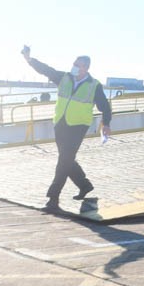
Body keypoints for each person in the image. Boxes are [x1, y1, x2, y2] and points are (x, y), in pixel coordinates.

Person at [22, 46, 112, 212]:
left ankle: (53, 198)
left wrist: (106, 123)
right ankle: (84, 185)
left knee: (64, 160)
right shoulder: (64, 77)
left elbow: (105, 106)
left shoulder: (94, 85)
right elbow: (46, 70)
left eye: (78, 65)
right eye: (74, 63)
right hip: (61, 123)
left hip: (78, 126)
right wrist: (29, 59)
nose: (74, 66)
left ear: (86, 68)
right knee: (66, 159)